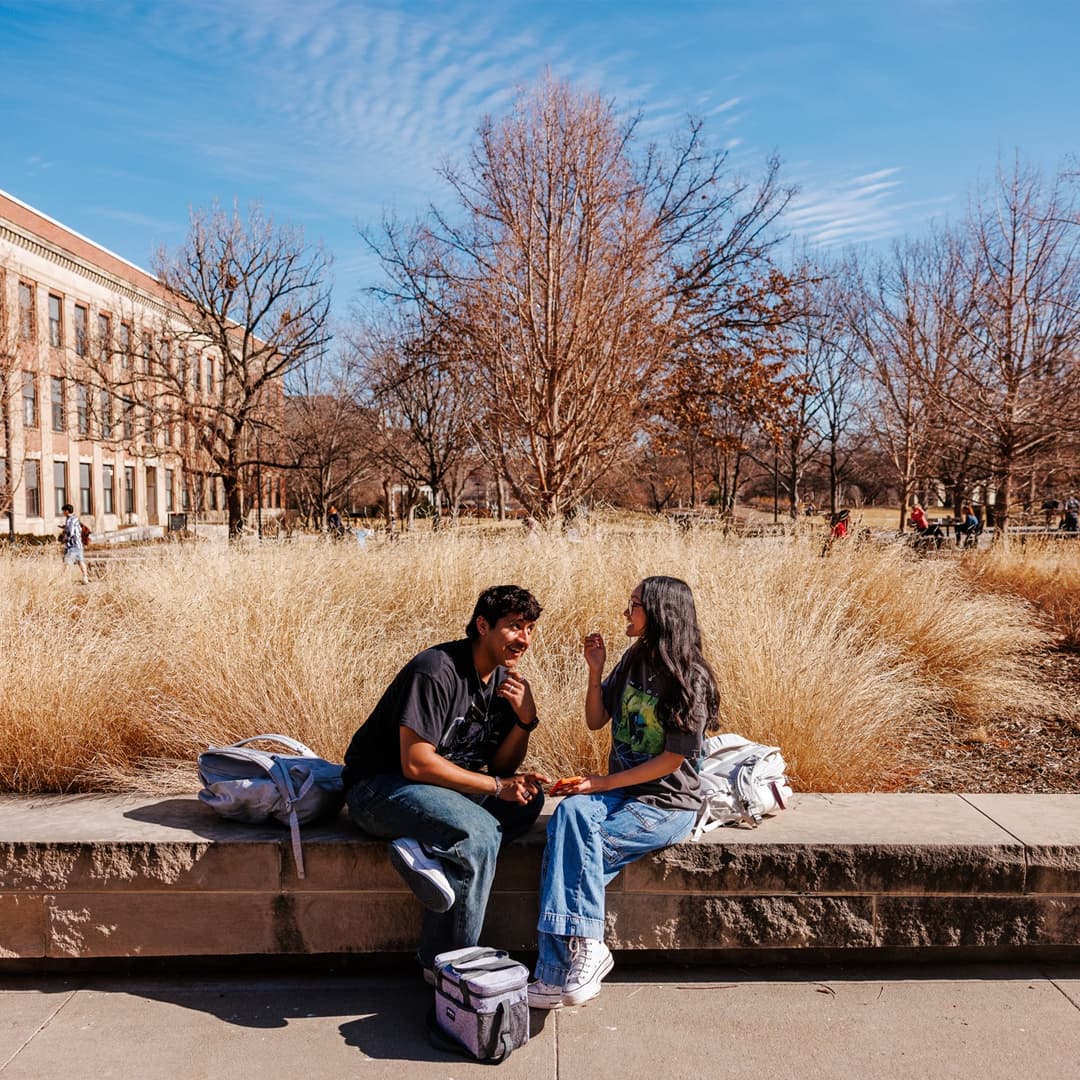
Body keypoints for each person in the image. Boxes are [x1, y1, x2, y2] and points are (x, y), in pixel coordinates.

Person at [528, 575, 718, 1010]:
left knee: (571, 852)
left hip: (667, 803)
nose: (625, 612)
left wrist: (603, 783)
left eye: (633, 604)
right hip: (622, 796)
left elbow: (673, 759)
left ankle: (560, 969)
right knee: (571, 814)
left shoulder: (690, 677)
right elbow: (597, 720)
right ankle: (580, 957)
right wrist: (595, 671)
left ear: (659, 613)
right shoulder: (634, 659)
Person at [342, 585, 548, 980]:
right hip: (379, 788)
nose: (524, 638)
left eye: (530, 628)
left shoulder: (503, 681)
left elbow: (500, 764)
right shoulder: (437, 670)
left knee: (528, 800)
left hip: (437, 792)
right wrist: (494, 787)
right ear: (483, 626)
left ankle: (432, 853)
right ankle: (446, 966)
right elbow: (416, 763)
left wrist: (525, 721)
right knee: (481, 833)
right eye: (514, 626)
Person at [59, 503, 89, 584]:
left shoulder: (69, 520)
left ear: (67, 511)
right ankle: (85, 578)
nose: (63, 513)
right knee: (80, 561)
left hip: (72, 545)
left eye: (63, 511)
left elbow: (71, 532)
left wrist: (64, 540)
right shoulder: (75, 518)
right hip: (79, 544)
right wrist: (64, 527)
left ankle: (62, 579)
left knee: (67, 562)